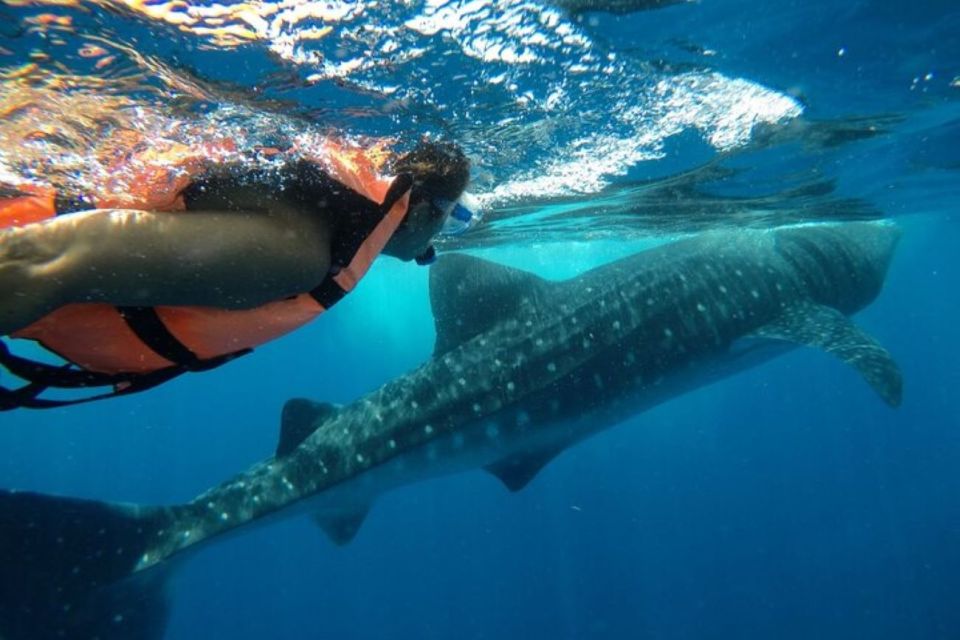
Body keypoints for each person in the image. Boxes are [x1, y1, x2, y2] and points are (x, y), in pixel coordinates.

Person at [0, 136, 478, 409]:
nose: (439, 241)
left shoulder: (318, 232)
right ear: (424, 211)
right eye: (456, 215)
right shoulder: (293, 254)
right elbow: (50, 258)